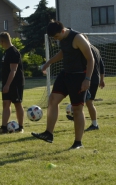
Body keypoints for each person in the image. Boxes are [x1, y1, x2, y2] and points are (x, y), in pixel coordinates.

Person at [31, 21, 94, 149]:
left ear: (63, 31)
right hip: (66, 74)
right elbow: (63, 53)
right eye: (53, 38)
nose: (55, 39)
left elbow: (90, 58)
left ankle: (78, 142)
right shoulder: (63, 38)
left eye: (56, 37)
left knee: (77, 109)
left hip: (79, 76)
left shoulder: (78, 38)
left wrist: (87, 79)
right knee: (53, 100)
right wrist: (48, 63)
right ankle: (49, 133)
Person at [67, 34, 105, 132]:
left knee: (88, 102)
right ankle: (78, 118)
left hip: (88, 79)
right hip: (94, 79)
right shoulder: (96, 49)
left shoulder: (85, 50)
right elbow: (102, 66)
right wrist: (102, 79)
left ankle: (94, 124)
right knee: (83, 101)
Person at [0, 32, 25, 134]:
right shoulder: (6, 52)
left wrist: (8, 85)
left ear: (3, 41)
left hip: (15, 83)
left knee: (17, 104)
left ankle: (20, 127)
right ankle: (3, 127)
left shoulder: (14, 52)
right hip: (6, 83)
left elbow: (13, 70)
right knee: (6, 104)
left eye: (0, 41)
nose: (0, 44)